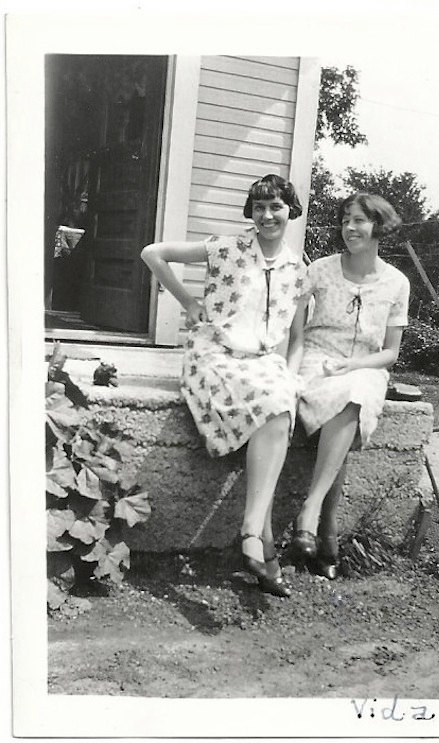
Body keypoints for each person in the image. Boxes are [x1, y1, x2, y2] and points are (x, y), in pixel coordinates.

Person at [141, 174, 307, 597]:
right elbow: (152, 253)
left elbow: (292, 334)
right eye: (258, 207)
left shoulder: (297, 270)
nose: (267, 216)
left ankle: (257, 542)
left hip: (260, 361)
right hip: (214, 355)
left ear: (292, 210)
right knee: (272, 404)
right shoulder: (224, 248)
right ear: (250, 212)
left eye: (276, 207)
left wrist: (289, 370)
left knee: (280, 398)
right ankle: (258, 542)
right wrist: (188, 301)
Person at [292, 192, 410, 579]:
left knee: (356, 390)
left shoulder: (397, 282)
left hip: (366, 366)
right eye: (345, 220)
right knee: (346, 401)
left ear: (379, 227)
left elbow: (390, 352)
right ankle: (328, 530)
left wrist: (356, 363)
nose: (349, 228)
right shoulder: (321, 270)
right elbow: (294, 330)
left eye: (359, 220)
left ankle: (310, 511)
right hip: (319, 360)